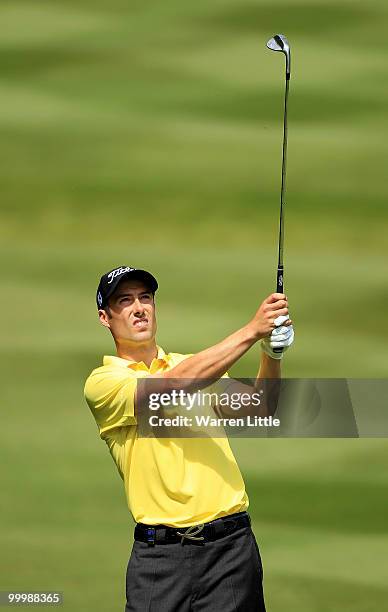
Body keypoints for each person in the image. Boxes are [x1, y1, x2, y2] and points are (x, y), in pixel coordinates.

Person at [84, 265, 294, 611]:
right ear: (105, 317)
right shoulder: (103, 383)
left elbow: (262, 405)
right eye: (125, 301)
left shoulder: (193, 366)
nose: (140, 308)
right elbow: (172, 385)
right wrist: (253, 331)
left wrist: (271, 355)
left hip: (230, 552)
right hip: (160, 560)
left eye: (146, 298)